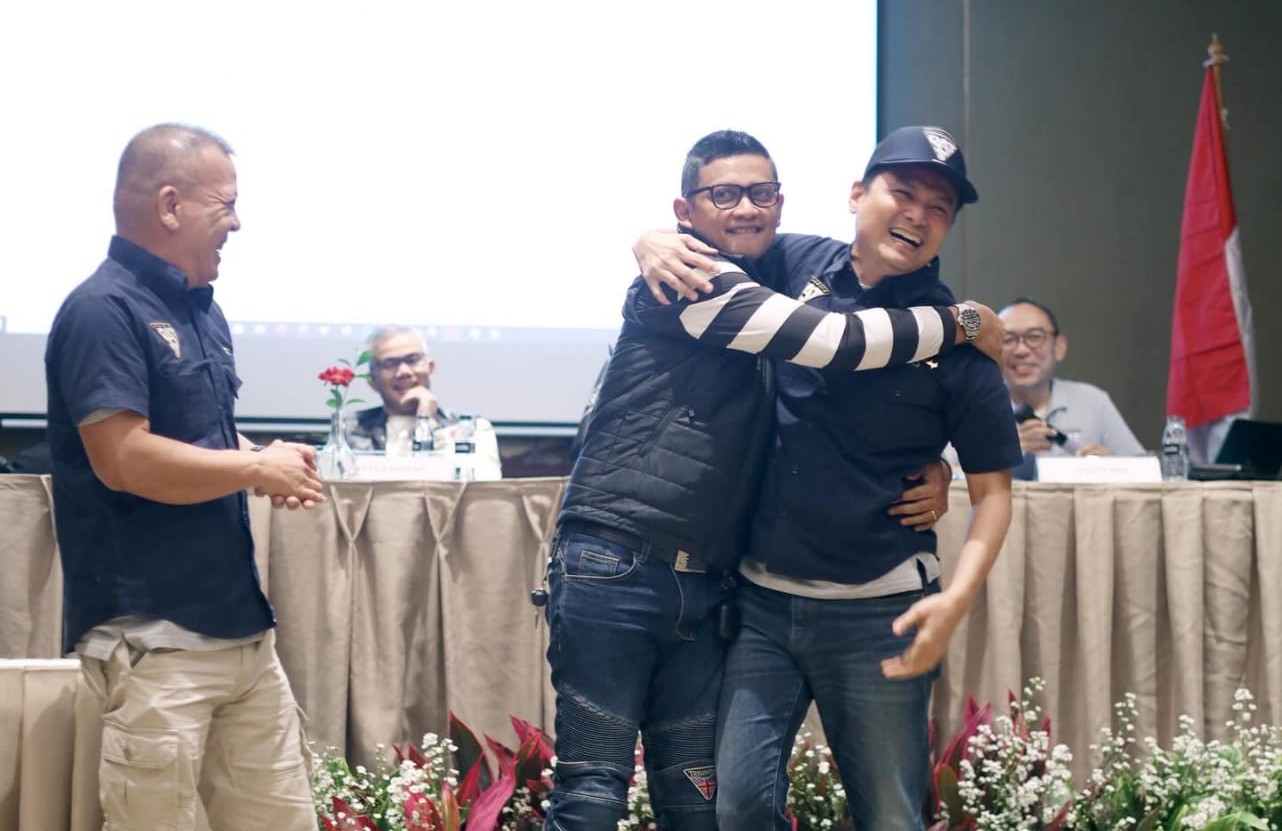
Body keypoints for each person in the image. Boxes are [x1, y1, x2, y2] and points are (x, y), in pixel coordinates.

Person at [543, 129, 1003, 831]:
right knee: (598, 794)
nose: (745, 209)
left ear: (781, 204)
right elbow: (839, 343)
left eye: (760, 194)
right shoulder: (693, 273)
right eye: (724, 194)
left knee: (699, 804)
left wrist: (939, 465)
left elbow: (982, 477)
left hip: (726, 587)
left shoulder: (779, 267)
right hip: (631, 565)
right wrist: (967, 319)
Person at [44, 123, 325, 831]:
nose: (238, 223)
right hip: (155, 637)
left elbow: (201, 436)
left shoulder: (202, 308)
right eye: (227, 204)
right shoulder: (101, 309)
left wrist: (263, 459)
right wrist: (253, 466)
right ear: (171, 206)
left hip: (242, 634)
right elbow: (123, 458)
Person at [999, 297, 1144, 474]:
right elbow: (964, 477)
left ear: (1059, 347)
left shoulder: (1092, 401)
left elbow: (1144, 471)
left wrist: (1111, 466)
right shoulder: (976, 409)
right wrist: (1006, 457)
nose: (1021, 350)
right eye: (1008, 339)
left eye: (1035, 337)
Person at [345, 324, 502, 478]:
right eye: (390, 364)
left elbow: (484, 486)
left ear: (430, 368)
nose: (404, 372)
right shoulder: (348, 428)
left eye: (412, 360)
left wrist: (428, 423)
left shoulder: (471, 427)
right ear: (372, 381)